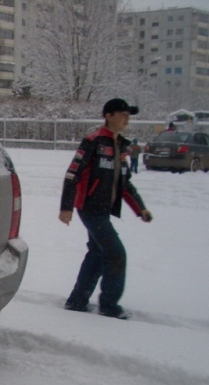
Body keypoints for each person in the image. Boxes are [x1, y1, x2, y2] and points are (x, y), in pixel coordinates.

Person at [59, 98, 153, 320]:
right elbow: (72, 175)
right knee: (115, 253)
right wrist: (66, 207)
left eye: (128, 115)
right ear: (108, 115)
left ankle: (77, 301)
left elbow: (124, 183)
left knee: (98, 253)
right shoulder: (93, 141)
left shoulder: (121, 146)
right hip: (89, 208)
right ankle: (109, 305)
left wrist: (140, 209)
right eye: (122, 114)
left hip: (103, 210)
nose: (125, 119)